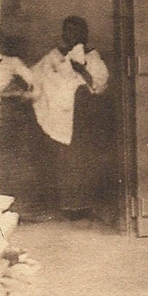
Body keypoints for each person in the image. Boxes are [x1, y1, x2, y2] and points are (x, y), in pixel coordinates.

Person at [30, 15, 109, 217]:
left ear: (84, 34)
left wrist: (80, 67)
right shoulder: (54, 56)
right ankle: (63, 207)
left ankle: (82, 207)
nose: (71, 34)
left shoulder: (93, 57)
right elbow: (35, 75)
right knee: (61, 159)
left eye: (76, 30)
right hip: (57, 114)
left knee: (80, 159)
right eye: (67, 30)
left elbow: (98, 86)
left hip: (83, 115)